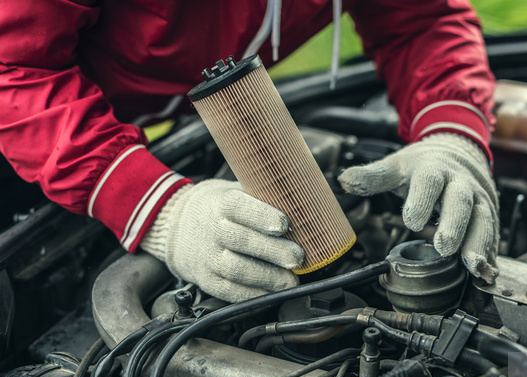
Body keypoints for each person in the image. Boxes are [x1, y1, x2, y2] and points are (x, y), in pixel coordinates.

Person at [0, 0, 498, 303]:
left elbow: (421, 20)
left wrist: (453, 133)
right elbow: (14, 64)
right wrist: (153, 206)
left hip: (137, 107)